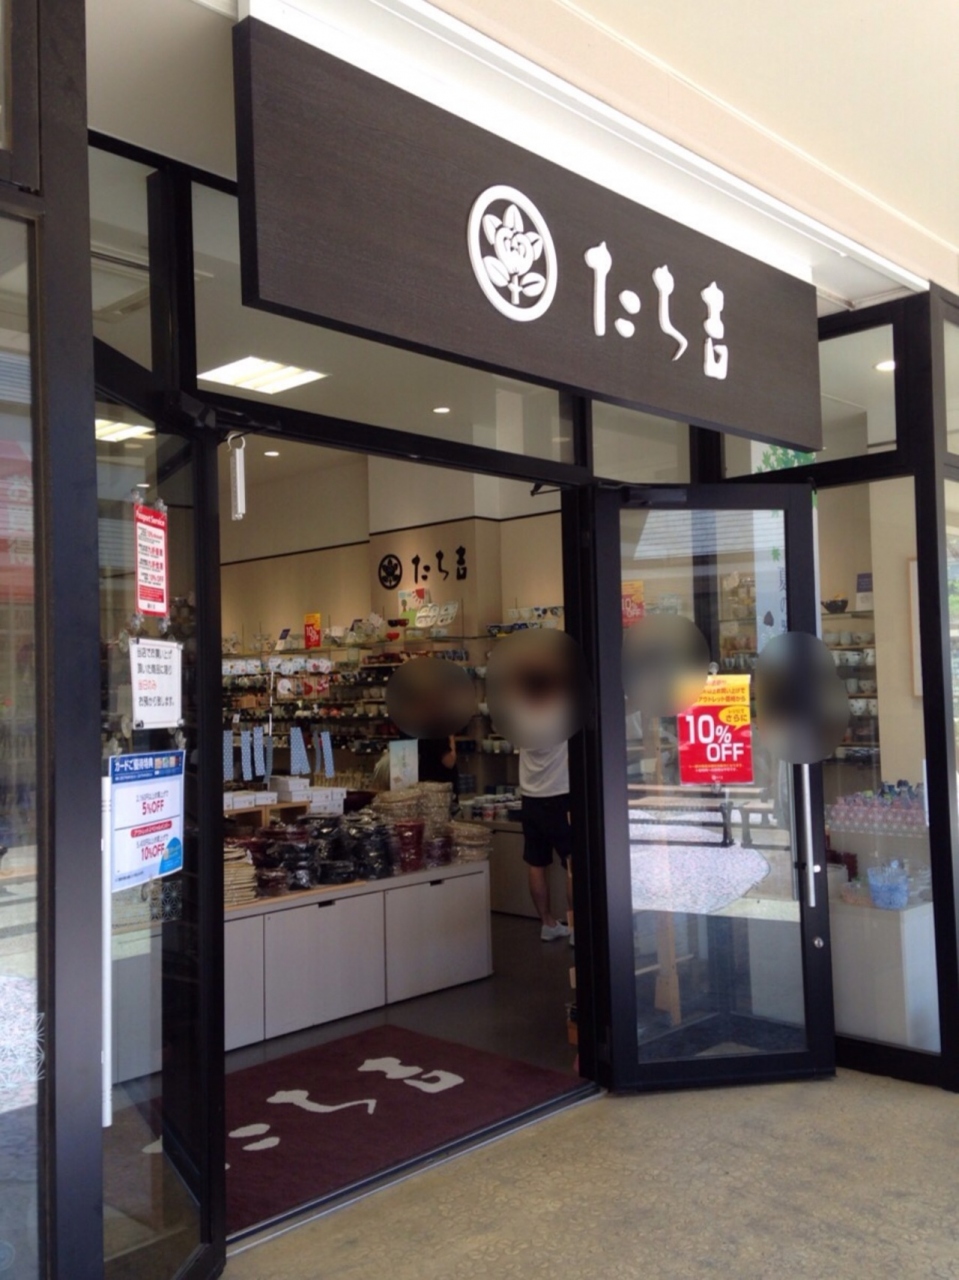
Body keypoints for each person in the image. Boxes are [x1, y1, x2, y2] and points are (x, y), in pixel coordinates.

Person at [519, 740, 573, 942]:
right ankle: (577, 928)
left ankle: (547, 924)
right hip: (560, 794)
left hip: (530, 796)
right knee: (572, 863)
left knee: (536, 863)